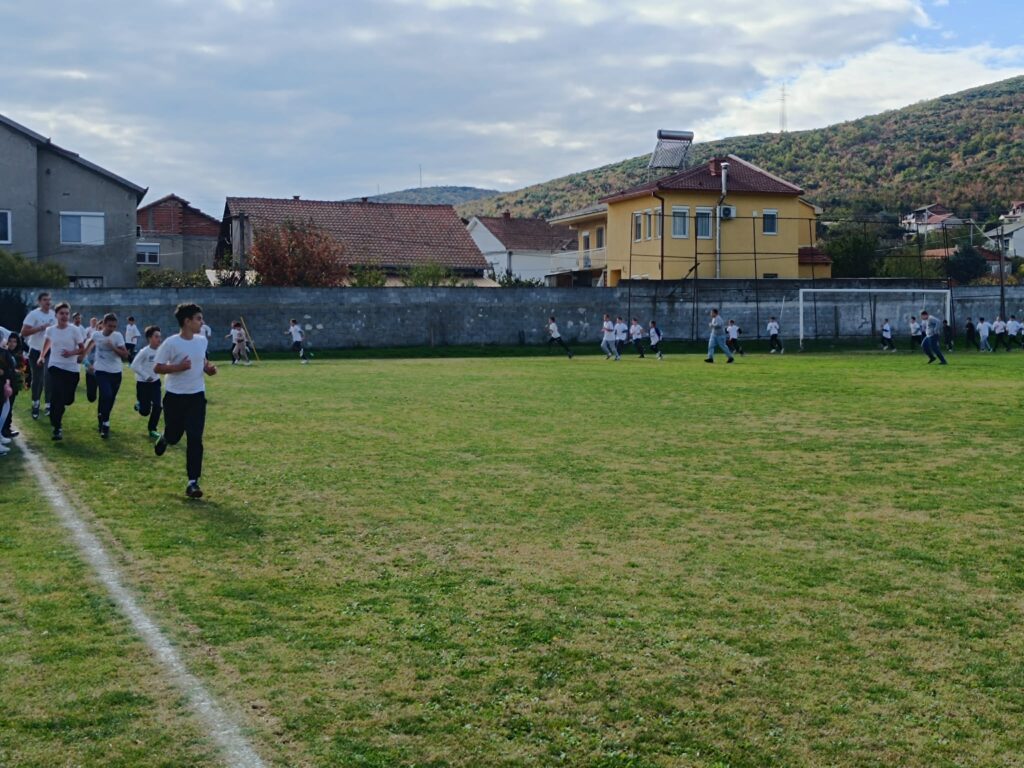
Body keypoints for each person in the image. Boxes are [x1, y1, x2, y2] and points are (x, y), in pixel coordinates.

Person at [153, 303, 218, 499]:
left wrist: (208, 369)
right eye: (198, 319)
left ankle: (193, 482)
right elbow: (157, 367)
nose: (202, 322)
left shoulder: (201, 340)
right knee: (174, 436)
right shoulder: (171, 343)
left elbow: (201, 360)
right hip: (174, 397)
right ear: (187, 321)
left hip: (196, 396)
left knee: (195, 438)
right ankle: (165, 437)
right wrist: (178, 367)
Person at [39, 302, 86, 441]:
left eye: (66, 313)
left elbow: (82, 348)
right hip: (55, 367)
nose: (64, 316)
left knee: (67, 399)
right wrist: (42, 356)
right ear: (56, 315)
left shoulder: (74, 330)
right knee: (56, 397)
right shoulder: (50, 330)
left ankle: (59, 411)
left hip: (71, 369)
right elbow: (47, 343)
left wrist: (71, 353)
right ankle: (57, 427)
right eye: (61, 313)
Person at [86, 312, 130, 439]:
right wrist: (84, 360)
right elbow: (88, 347)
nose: (112, 329)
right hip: (101, 371)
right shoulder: (96, 335)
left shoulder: (117, 336)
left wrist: (113, 347)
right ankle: (106, 424)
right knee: (106, 394)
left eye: (114, 326)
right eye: (110, 326)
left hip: (116, 372)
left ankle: (102, 416)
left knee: (109, 399)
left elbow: (125, 355)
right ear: (104, 324)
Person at [20, 291, 55, 420]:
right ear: (39, 302)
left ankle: (48, 404)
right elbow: (23, 332)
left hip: (50, 351)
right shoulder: (34, 314)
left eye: (49, 300)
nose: (48, 302)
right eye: (45, 300)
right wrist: (40, 328)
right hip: (35, 350)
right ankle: (35, 402)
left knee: (49, 376)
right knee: (38, 379)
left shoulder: (54, 315)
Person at [130, 326, 164, 439]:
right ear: (149, 338)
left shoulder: (161, 350)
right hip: (143, 384)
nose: (159, 339)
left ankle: (152, 429)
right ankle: (139, 405)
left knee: (158, 406)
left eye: (160, 336)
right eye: (156, 336)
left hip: (155, 382)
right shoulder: (144, 351)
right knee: (145, 412)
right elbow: (134, 365)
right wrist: (146, 376)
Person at [2, 334, 23, 439]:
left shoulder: (18, 355)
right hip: (6, 384)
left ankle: (6, 428)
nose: (12, 344)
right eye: (10, 341)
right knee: (5, 408)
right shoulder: (4, 353)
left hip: (13, 386)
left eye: (15, 341)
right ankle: (4, 430)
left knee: (9, 408)